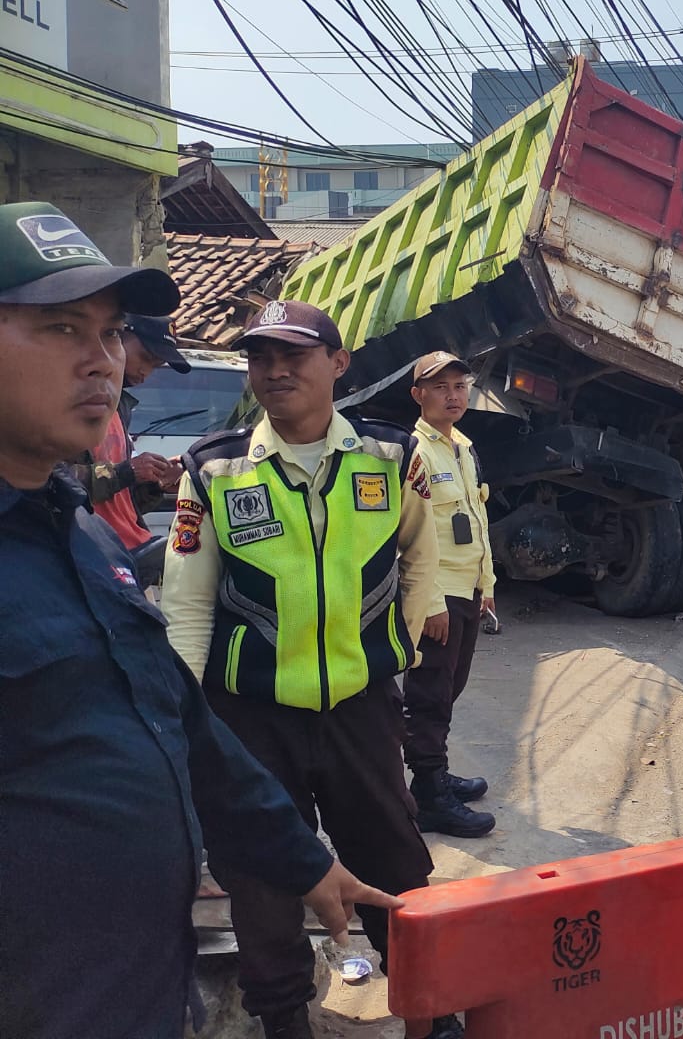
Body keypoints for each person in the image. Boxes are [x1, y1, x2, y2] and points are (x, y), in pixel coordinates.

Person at [0, 203, 399, 1039]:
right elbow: (187, 610)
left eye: (111, 333)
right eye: (62, 328)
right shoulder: (214, 471)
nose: (103, 361)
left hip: (141, 983)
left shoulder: (75, 534)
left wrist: (305, 860)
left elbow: (174, 718)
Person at [163, 302, 457, 1039]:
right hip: (249, 715)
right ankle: (284, 1021)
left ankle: (430, 1010)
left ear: (338, 363)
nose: (275, 371)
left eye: (293, 355)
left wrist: (399, 647)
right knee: (261, 877)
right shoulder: (215, 468)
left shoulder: (390, 456)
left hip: (361, 705)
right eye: (261, 358)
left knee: (394, 859)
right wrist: (186, 716)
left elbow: (421, 554)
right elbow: (188, 602)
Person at [403, 351, 496, 839]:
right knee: (429, 696)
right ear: (418, 395)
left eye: (460, 386)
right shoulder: (414, 453)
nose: (453, 396)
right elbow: (412, 536)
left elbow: (477, 520)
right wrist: (432, 601)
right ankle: (429, 794)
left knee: (450, 688)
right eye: (440, 387)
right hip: (437, 597)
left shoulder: (463, 446)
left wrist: (488, 586)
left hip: (469, 589)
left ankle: (435, 774)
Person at [67, 314, 188, 584]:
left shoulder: (120, 407)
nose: (146, 372)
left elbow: (119, 503)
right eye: (145, 357)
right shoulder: (66, 402)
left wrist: (154, 484)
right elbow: (54, 482)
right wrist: (126, 472)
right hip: (90, 557)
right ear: (116, 337)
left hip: (133, 553)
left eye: (155, 366)